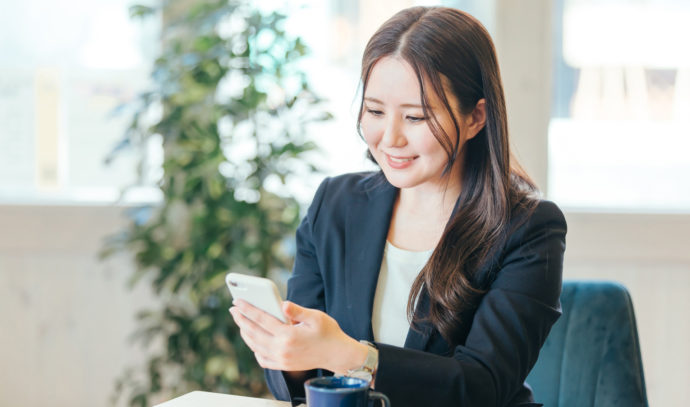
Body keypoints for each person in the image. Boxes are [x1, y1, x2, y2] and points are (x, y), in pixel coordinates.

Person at [229, 6, 567, 407]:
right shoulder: (335, 205)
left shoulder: (528, 228)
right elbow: (304, 380)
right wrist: (287, 352)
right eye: (374, 111)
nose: (390, 138)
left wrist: (347, 354)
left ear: (476, 117)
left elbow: (481, 386)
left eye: (415, 117)